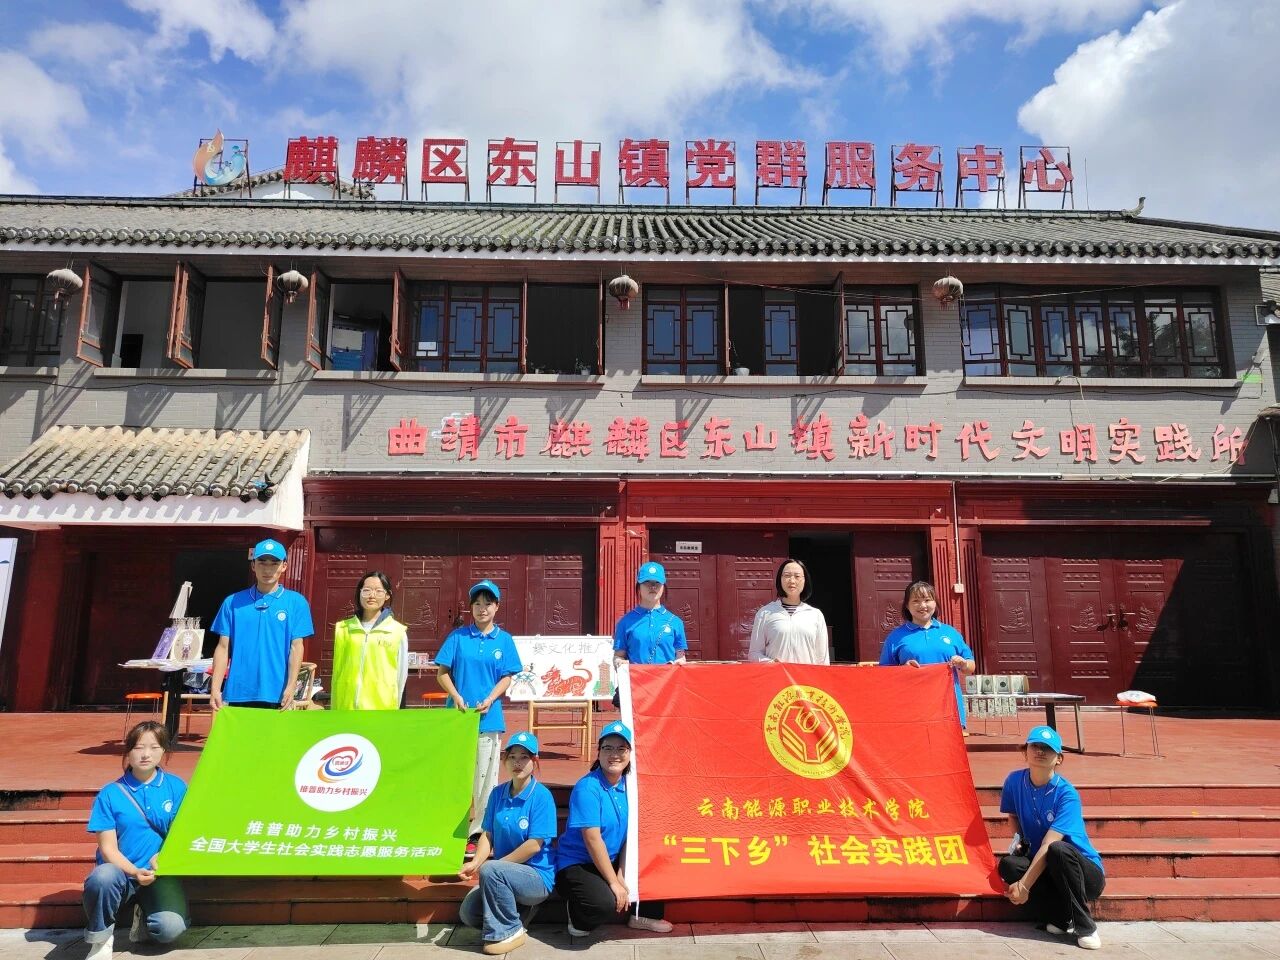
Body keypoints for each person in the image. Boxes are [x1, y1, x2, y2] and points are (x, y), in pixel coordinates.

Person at [82, 721, 189, 960]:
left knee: (170, 928)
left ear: (164, 751)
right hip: (120, 874)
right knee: (102, 877)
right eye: (139, 747)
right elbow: (108, 849)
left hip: (159, 874)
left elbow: (183, 834)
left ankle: (143, 916)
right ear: (128, 751)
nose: (146, 754)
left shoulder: (176, 787)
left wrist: (165, 856)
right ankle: (100, 941)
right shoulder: (110, 793)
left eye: (154, 747)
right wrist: (133, 871)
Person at [554, 721, 672, 936]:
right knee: (601, 905)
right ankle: (577, 912)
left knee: (657, 855)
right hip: (579, 862)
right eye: (608, 748)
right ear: (598, 752)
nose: (614, 754)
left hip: (614, 857)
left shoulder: (631, 786)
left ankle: (643, 915)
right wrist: (614, 882)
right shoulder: (587, 787)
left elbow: (632, 835)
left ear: (630, 754)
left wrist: (621, 872)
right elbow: (592, 839)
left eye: (621, 749)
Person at [999, 726, 1106, 951]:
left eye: (1047, 748)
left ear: (1059, 758)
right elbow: (1013, 814)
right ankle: (1060, 917)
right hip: (1049, 866)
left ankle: (1086, 927)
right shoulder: (1014, 781)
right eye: (1035, 746)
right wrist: (1019, 842)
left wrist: (1024, 886)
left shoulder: (1067, 794)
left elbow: (1049, 844)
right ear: (1025, 751)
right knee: (1009, 865)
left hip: (1083, 873)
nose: (1040, 751)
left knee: (1058, 849)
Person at [437, 579, 521, 860]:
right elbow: (442, 673)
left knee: (485, 779)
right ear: (471, 607)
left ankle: (477, 834)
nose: (482, 608)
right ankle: (450, 829)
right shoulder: (458, 637)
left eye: (488, 603)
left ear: (497, 607)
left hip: (489, 719)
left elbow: (507, 676)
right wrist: (456, 696)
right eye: (477, 603)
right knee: (456, 775)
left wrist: (491, 698)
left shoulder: (504, 640)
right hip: (458, 720)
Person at [458, 732, 557, 955]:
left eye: (524, 757)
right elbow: (488, 834)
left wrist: (496, 867)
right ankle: (521, 913)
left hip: (536, 876)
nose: (517, 763)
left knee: (493, 871)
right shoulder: (497, 794)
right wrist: (475, 863)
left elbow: (534, 845)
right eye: (512, 757)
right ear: (504, 761)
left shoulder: (541, 796)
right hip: (503, 874)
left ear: (535, 761)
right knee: (469, 913)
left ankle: (510, 932)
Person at [209, 538, 315, 711]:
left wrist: (291, 686)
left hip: (278, 693)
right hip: (239, 691)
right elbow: (223, 647)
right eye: (262, 563)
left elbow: (296, 647)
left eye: (274, 563)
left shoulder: (296, 602)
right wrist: (215, 688)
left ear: (284, 566)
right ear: (253, 565)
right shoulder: (233, 602)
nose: (267, 569)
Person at [879, 579, 975, 732]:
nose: (922, 605)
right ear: (907, 605)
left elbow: (970, 667)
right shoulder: (896, 637)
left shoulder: (950, 632)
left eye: (927, 600)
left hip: (948, 708)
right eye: (916, 601)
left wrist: (963, 664)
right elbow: (884, 675)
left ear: (935, 603)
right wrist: (903, 669)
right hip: (912, 710)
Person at [330, 571, 409, 710]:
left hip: (380, 709)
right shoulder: (343, 628)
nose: (372, 595)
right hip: (345, 708)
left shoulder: (396, 631)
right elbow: (337, 672)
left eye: (378, 591)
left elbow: (401, 676)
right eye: (366, 590)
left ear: (387, 595)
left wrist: (394, 708)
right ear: (359, 593)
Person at [747, 558, 830, 664]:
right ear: (780, 579)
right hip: (777, 674)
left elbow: (822, 659)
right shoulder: (765, 613)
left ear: (805, 580)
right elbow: (754, 653)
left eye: (797, 576)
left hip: (805, 675)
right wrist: (770, 662)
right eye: (787, 575)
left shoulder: (815, 615)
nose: (792, 581)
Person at [613, 562, 687, 667]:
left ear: (663, 587)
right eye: (647, 582)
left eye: (657, 582)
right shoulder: (625, 622)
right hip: (637, 677)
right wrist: (619, 662)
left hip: (667, 677)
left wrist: (680, 661)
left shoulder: (675, 622)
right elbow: (619, 656)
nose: (653, 587)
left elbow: (680, 656)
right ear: (639, 587)